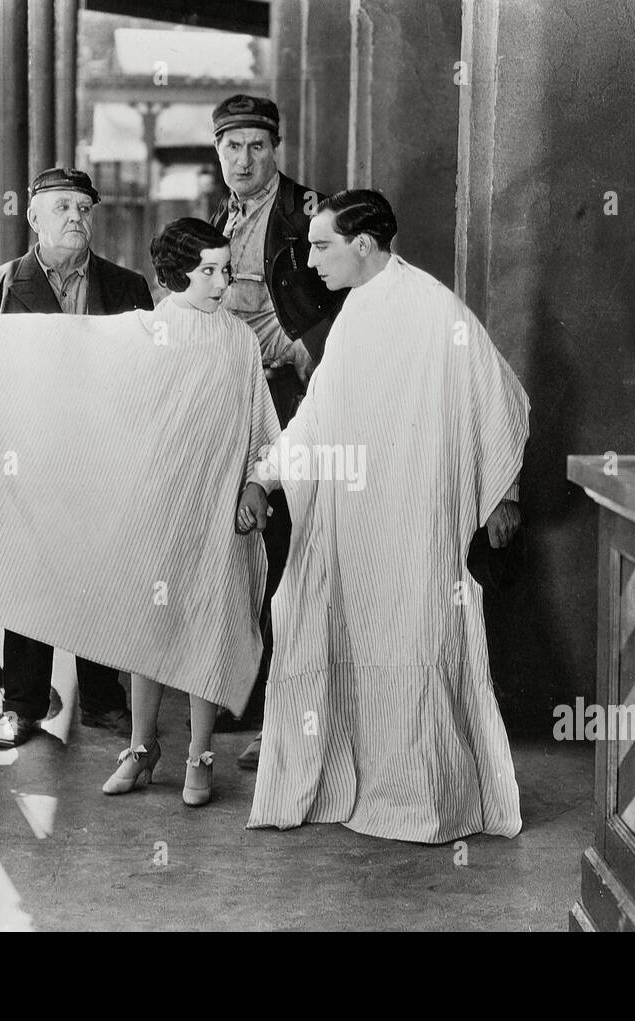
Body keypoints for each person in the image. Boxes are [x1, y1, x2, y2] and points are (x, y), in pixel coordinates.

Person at [238, 189, 530, 843]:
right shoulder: (359, 312)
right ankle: (360, 784)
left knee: (418, 639)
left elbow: (499, 390)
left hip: (419, 515)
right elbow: (318, 420)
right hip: (360, 516)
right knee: (344, 631)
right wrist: (265, 476)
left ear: (363, 245)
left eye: (322, 246)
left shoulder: (432, 307)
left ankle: (426, 801)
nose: (311, 261)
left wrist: (503, 493)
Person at [0, 166, 153, 747]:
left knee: (101, 574)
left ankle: (100, 697)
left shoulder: (126, 289)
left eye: (84, 208)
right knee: (31, 577)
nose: (76, 217)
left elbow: (145, 377)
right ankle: (23, 704)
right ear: (35, 217)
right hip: (30, 459)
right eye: (63, 207)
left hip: (102, 457)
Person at [98, 217, 280, 806]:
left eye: (225, 269)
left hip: (221, 513)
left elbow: (263, 431)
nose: (221, 282)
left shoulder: (242, 341)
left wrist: (256, 486)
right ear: (176, 274)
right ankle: (142, 744)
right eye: (207, 271)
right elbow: (118, 415)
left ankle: (201, 752)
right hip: (159, 507)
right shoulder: (147, 331)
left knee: (211, 624)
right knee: (150, 627)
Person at [208, 94, 346, 770]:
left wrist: (299, 345)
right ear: (218, 152)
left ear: (276, 149)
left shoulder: (312, 213)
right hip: (239, 403)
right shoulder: (219, 218)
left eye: (256, 145)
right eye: (232, 146)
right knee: (251, 545)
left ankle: (292, 720)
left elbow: (352, 296)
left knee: (293, 552)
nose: (244, 158)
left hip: (295, 401)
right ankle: (259, 699)